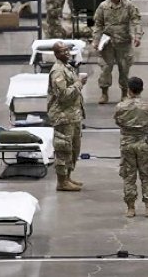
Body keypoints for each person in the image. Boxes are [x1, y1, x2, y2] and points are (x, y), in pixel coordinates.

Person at [114, 76, 148, 218]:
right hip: (144, 144)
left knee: (129, 175)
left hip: (127, 144)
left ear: (129, 89)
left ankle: (130, 208)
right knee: (147, 175)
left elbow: (118, 121)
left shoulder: (121, 107)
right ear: (142, 89)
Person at [92, 0, 143, 104]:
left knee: (124, 69)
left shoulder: (128, 5)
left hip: (123, 42)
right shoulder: (103, 6)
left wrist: (138, 35)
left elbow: (136, 20)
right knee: (105, 69)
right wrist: (96, 40)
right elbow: (98, 24)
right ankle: (104, 93)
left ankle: (124, 94)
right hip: (108, 43)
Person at [48, 41, 87, 191]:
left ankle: (68, 177)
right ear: (56, 54)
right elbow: (63, 95)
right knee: (63, 148)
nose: (67, 53)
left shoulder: (67, 67)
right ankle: (61, 181)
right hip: (63, 116)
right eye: (63, 51)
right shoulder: (58, 71)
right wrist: (79, 83)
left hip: (73, 115)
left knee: (74, 148)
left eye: (68, 50)